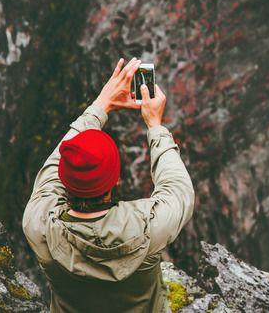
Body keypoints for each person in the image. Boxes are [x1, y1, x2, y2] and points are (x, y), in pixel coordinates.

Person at [22, 58, 195, 313]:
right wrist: (155, 125)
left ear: (64, 180)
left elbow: (55, 165)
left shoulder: (38, 225)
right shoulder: (150, 227)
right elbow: (178, 188)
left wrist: (100, 106)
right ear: (115, 181)